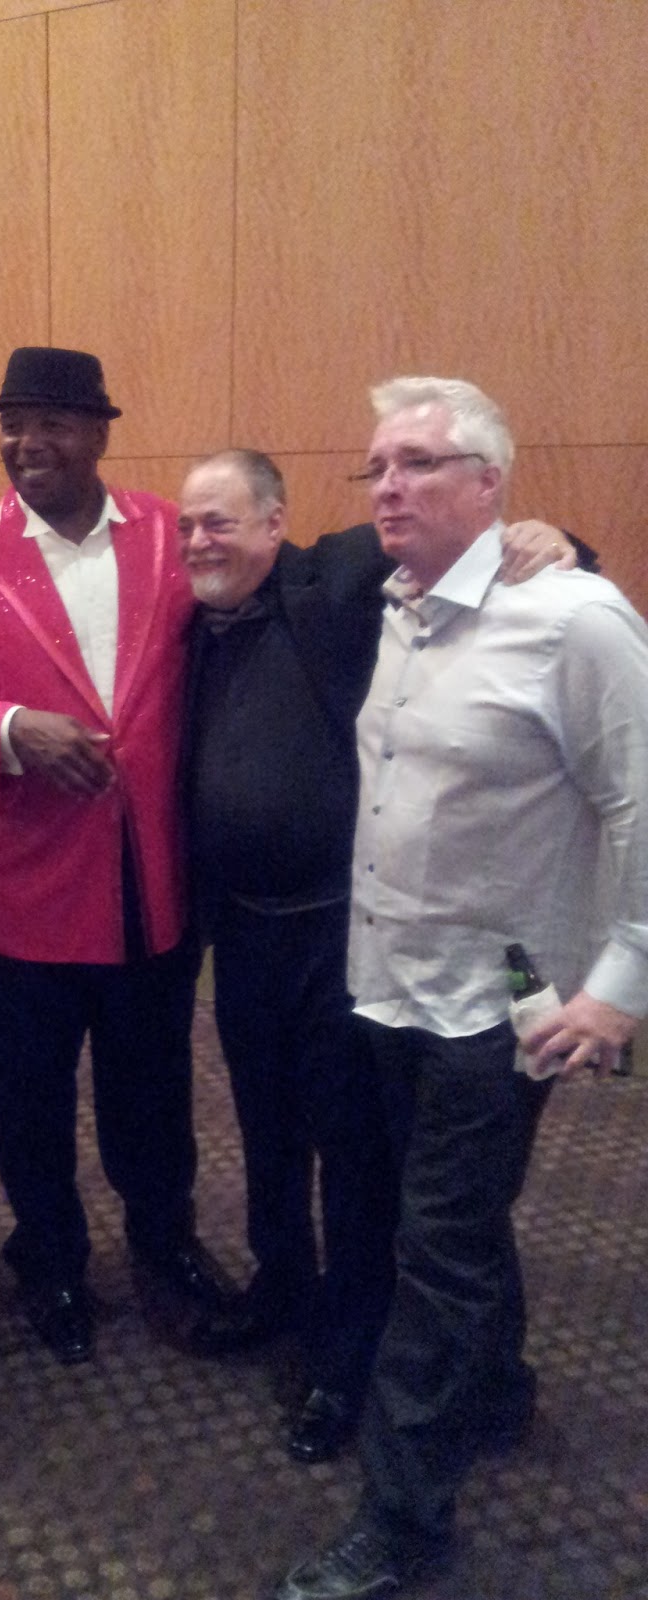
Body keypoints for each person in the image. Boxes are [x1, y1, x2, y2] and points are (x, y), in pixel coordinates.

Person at [271, 378, 648, 1600]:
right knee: (446, 1224)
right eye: (378, 464)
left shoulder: (576, 619)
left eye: (422, 462)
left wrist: (624, 984)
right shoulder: (395, 607)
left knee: (436, 1252)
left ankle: (405, 1520)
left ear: (491, 484)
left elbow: (640, 801)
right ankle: (498, 1389)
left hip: (509, 994)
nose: (390, 485)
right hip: (385, 978)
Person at [179, 451, 570, 1464]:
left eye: (220, 522)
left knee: (350, 1154)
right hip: (243, 934)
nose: (198, 542)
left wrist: (552, 539)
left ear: (275, 523)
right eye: (187, 526)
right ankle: (281, 1284)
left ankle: (347, 1352)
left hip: (341, 935)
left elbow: (470, 550)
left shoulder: (339, 571)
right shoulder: (191, 623)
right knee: (265, 1130)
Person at [0, 347, 235, 1366]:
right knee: (28, 1103)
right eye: (13, 423)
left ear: (99, 433)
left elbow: (288, 577)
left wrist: (546, 543)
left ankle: (164, 1245)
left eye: (52, 423)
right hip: (23, 894)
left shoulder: (172, 539)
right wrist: (8, 729)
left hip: (150, 884)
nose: (26, 442)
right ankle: (50, 1260)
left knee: (153, 1093)